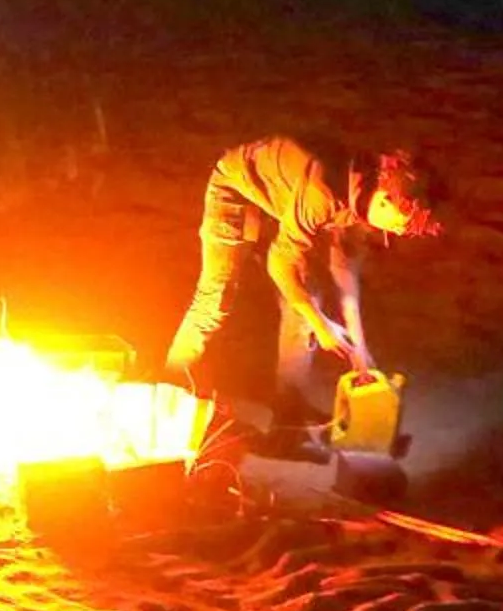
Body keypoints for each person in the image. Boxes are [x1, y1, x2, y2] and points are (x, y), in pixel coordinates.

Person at [163, 137, 441, 486]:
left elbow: (344, 271)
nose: (399, 231)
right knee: (216, 298)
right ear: (385, 199)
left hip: (286, 200)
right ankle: (168, 392)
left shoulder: (366, 196)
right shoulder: (324, 193)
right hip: (236, 190)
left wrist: (360, 348)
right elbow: (279, 264)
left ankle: (286, 420)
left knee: (305, 307)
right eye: (402, 223)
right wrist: (322, 325)